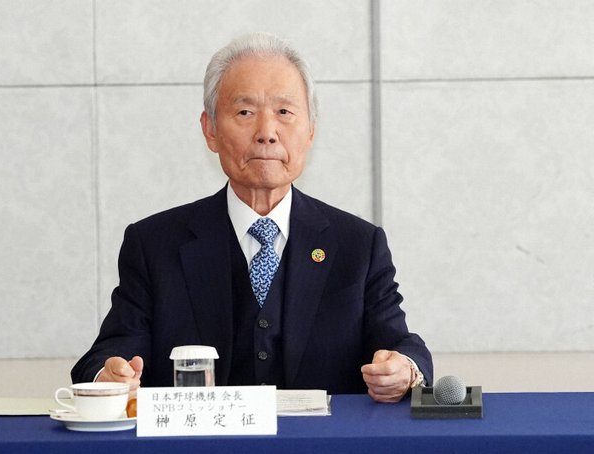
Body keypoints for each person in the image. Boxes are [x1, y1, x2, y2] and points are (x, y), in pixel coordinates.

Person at [72, 32, 432, 402]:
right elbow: (108, 355)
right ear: (210, 130)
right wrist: (110, 375)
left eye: (284, 112)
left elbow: (401, 346)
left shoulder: (358, 244)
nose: (266, 133)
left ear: (310, 131)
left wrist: (403, 369)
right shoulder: (154, 244)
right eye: (245, 112)